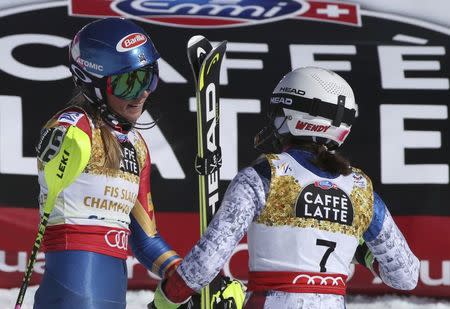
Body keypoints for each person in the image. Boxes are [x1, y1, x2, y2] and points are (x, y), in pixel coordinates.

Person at [150, 67, 420, 309]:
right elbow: (406, 276)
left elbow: (205, 264)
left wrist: (166, 299)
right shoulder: (360, 188)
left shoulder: (265, 175)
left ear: (291, 116)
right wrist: (358, 250)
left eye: (277, 114)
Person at [33, 17, 182, 309]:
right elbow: (54, 150)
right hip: (73, 291)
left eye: (148, 76)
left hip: (113, 288)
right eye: (128, 82)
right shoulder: (74, 126)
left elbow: (146, 240)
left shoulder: (137, 146)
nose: (142, 92)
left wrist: (187, 275)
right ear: (93, 83)